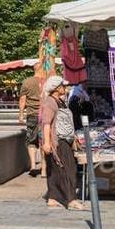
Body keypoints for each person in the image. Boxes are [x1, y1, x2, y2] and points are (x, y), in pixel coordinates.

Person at [39, 75, 85, 211]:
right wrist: (47, 143)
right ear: (56, 88)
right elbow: (46, 123)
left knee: (55, 171)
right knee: (68, 170)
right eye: (62, 86)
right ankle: (70, 199)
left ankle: (53, 198)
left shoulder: (60, 102)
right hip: (58, 142)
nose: (65, 88)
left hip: (65, 140)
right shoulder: (50, 103)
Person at [18, 73, 43, 176]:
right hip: (44, 115)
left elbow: (22, 99)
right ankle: (44, 169)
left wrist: (21, 115)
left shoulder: (27, 82)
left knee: (31, 141)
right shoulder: (46, 81)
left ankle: (33, 166)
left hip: (31, 115)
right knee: (43, 140)